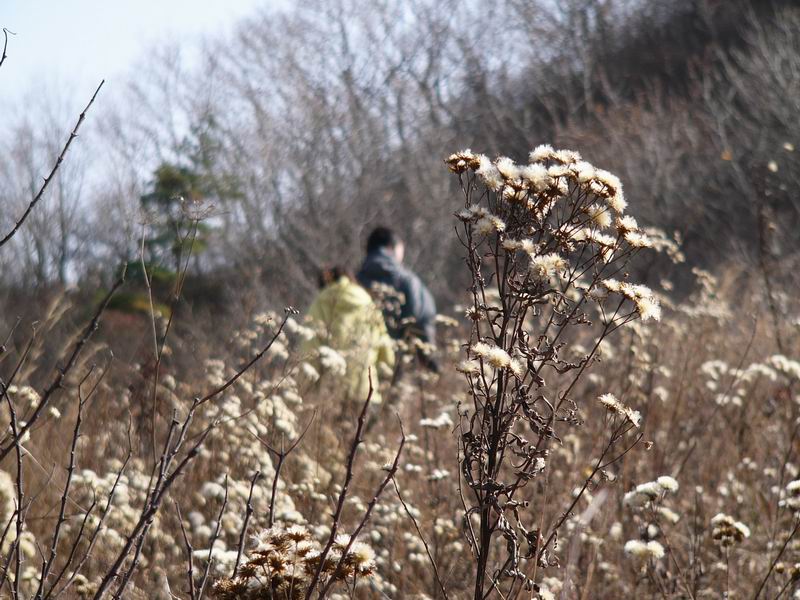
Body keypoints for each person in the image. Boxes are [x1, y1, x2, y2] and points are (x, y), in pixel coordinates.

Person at [303, 266, 395, 404]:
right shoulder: (368, 303)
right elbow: (387, 354)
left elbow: (309, 347)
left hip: (330, 394)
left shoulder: (320, 303)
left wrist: (305, 388)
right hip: (365, 392)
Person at [356, 227, 438, 370]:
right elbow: (424, 320)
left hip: (362, 361)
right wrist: (431, 363)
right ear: (391, 248)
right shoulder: (408, 281)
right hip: (398, 363)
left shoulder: (355, 280)